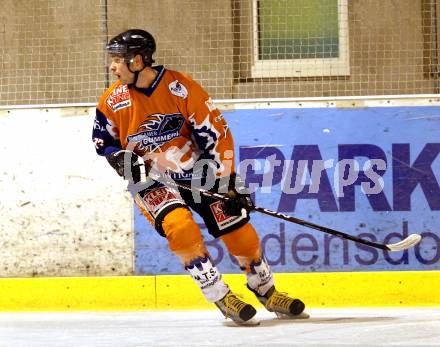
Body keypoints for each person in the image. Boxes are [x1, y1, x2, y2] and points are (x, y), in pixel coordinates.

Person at [92, 29, 308, 325]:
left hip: (196, 170)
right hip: (150, 178)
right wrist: (121, 160)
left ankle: (266, 290)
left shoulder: (181, 87)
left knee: (238, 229)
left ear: (138, 61)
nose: (112, 66)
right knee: (180, 228)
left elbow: (216, 134)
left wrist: (229, 180)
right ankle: (221, 295)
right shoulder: (111, 100)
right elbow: (104, 142)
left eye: (118, 60)